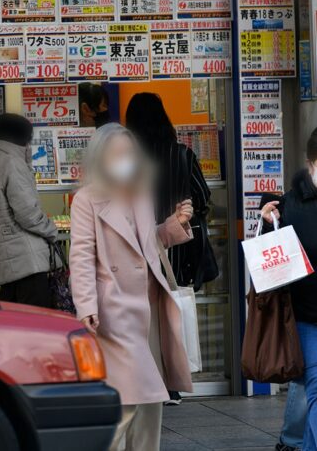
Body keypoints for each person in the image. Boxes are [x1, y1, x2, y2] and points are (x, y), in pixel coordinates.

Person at [69, 123, 194, 451]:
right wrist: (87, 306)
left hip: (148, 308)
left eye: (129, 153)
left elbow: (147, 245)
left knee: (151, 401)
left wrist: (173, 227)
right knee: (126, 402)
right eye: (116, 154)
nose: (124, 159)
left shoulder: (141, 192)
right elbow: (80, 256)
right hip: (115, 311)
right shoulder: (87, 200)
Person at [126, 92, 212, 405]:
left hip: (137, 249)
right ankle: (171, 386)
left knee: (143, 317)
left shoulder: (128, 159)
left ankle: (146, 381)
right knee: (170, 315)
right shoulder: (182, 155)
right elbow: (202, 197)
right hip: (175, 249)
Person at [262, 129, 317, 451]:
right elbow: (270, 267)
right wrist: (269, 225)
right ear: (310, 163)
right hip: (308, 318)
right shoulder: (289, 206)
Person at [0, 113, 58, 307]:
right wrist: (52, 231)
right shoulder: (12, 163)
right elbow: (28, 214)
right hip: (29, 262)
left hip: (4, 267)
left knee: (15, 326)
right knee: (38, 327)